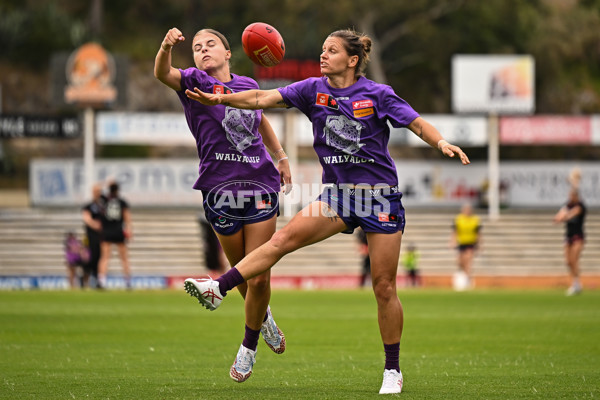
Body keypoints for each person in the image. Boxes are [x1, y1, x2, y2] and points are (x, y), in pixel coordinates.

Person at [183, 28, 470, 394]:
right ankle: (218, 289)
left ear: (351, 60)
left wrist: (441, 141)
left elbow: (415, 122)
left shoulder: (376, 94)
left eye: (331, 51)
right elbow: (259, 98)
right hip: (338, 197)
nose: (323, 56)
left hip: (379, 198)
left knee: (383, 286)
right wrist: (217, 98)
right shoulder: (310, 89)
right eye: (322, 50)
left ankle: (392, 369)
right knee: (282, 239)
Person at [154, 27, 292, 382]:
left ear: (228, 52)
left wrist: (281, 156)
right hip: (218, 189)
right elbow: (161, 73)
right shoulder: (192, 82)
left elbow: (261, 120)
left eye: (210, 44)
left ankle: (247, 349)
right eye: (197, 47)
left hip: (261, 182)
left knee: (259, 276)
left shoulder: (246, 84)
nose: (202, 50)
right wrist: (167, 47)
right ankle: (266, 320)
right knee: (244, 275)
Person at [96, 182, 132, 289]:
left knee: (105, 257)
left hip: (106, 231)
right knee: (124, 258)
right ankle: (127, 282)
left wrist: (105, 183)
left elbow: (96, 189)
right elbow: (127, 218)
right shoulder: (122, 202)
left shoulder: (104, 200)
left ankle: (101, 281)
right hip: (118, 231)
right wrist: (129, 230)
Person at [553, 188, 586, 296]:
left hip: (578, 236)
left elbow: (571, 214)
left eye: (572, 196)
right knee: (568, 261)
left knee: (574, 259)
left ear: (576, 196)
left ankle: (576, 284)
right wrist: (559, 217)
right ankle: (575, 283)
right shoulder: (567, 205)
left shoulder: (581, 206)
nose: (570, 198)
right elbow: (558, 216)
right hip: (568, 236)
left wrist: (564, 216)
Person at [450, 203, 481, 290]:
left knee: (468, 261)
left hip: (471, 243)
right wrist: (453, 241)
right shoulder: (459, 219)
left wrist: (479, 244)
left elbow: (478, 233)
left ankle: (468, 281)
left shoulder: (475, 219)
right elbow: (455, 231)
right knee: (460, 262)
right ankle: (464, 278)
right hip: (461, 243)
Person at [81, 183, 104, 288]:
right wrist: (96, 225)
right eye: (96, 191)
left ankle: (97, 280)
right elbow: (87, 218)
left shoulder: (103, 205)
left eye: (99, 191)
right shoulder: (88, 206)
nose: (98, 193)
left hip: (102, 236)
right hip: (91, 236)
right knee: (90, 258)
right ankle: (84, 278)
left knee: (100, 257)